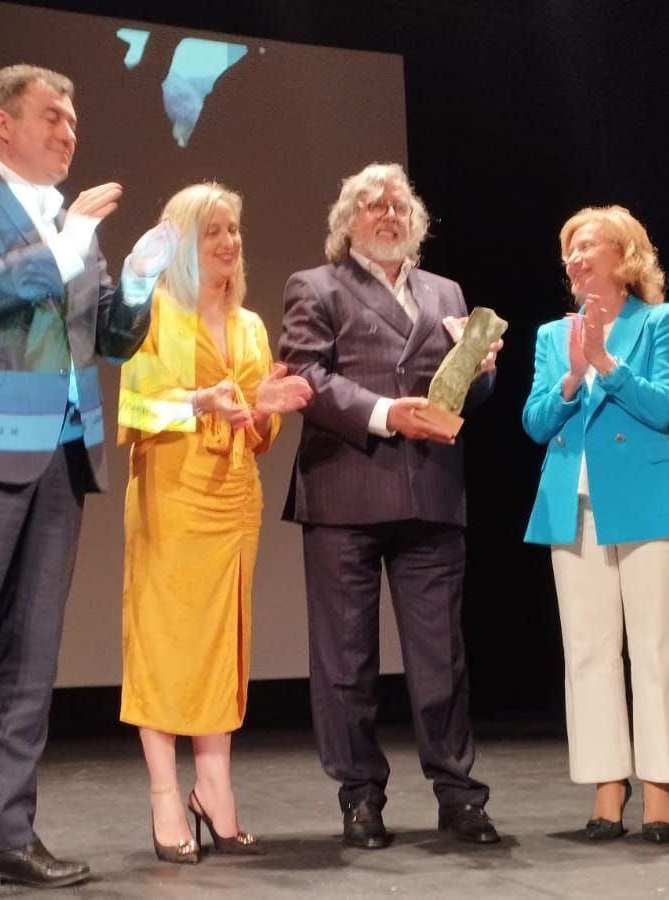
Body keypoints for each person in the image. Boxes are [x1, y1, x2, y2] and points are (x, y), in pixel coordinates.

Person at [0, 64, 175, 900]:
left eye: (75, 118)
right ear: (1, 124)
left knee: (31, 665)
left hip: (62, 456)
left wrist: (145, 286)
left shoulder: (70, 224)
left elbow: (109, 338)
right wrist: (62, 242)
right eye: (53, 114)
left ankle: (6, 838)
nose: (69, 130)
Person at [278, 162, 504, 849]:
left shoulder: (446, 291)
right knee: (346, 661)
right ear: (347, 223)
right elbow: (305, 377)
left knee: (441, 656)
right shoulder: (315, 287)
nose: (389, 215)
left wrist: (482, 374)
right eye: (373, 206)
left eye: (399, 206)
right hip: (345, 489)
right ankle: (359, 795)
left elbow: (460, 397)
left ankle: (458, 793)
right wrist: (384, 414)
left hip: (431, 491)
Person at [116, 182, 312, 864]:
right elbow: (137, 410)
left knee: (226, 643)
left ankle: (215, 786)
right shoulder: (153, 313)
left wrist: (264, 406)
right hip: (171, 496)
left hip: (235, 500)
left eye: (233, 229)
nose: (229, 242)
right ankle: (165, 795)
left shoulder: (253, 326)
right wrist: (199, 402)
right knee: (166, 643)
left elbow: (258, 431)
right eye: (213, 232)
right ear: (183, 245)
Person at [521, 205, 669, 844]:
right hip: (572, 503)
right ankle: (608, 784)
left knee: (655, 647)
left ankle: (659, 789)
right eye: (568, 248)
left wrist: (605, 360)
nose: (574, 259)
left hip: (650, 498)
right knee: (589, 651)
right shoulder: (553, 335)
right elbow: (535, 421)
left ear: (623, 256)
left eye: (587, 245)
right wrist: (574, 373)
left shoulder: (660, 319)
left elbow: (663, 407)